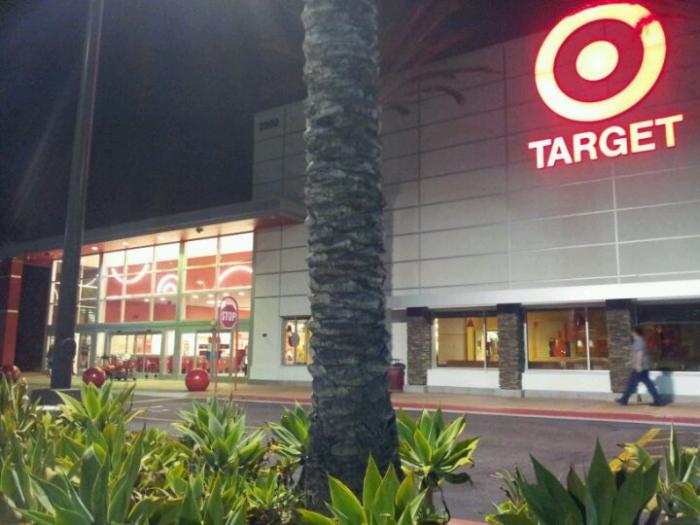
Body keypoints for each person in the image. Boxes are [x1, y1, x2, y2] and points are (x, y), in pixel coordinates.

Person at [616, 327, 664, 406]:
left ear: (635, 332)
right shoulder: (640, 340)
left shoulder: (639, 341)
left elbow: (639, 353)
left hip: (640, 367)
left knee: (631, 384)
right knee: (645, 383)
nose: (631, 333)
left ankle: (624, 400)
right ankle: (658, 400)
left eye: (632, 332)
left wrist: (638, 365)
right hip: (643, 366)